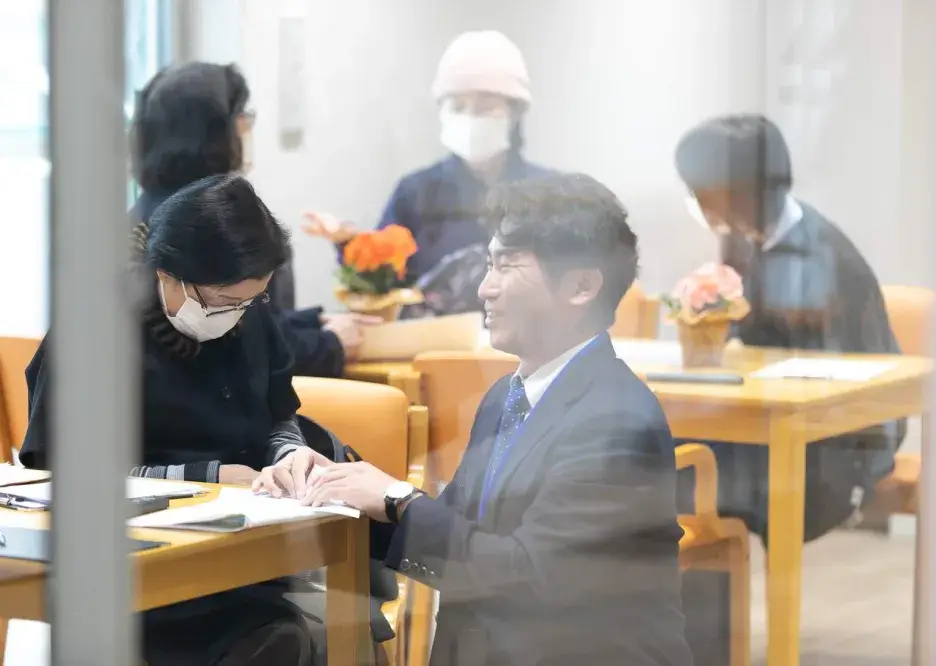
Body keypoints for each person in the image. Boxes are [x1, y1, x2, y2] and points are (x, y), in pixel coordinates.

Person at [275, 174, 694, 666]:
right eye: (489, 264)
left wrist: (398, 499)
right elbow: (460, 536)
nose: (484, 288)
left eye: (506, 266)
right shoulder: (506, 396)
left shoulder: (617, 420)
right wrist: (340, 490)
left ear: (581, 286)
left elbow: (531, 577)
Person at [19, 175, 390, 665]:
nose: (235, 315)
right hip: (141, 569)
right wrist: (205, 479)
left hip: (254, 550)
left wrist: (290, 453)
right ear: (167, 274)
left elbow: (278, 414)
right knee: (275, 640)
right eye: (222, 301)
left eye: (250, 301)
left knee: (351, 630)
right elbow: (62, 475)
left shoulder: (250, 317)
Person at [674, 113, 907, 542]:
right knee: (666, 454)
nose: (696, 203)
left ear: (735, 194)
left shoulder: (820, 260)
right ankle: (706, 576)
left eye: (699, 192)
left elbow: (840, 388)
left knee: (683, 471)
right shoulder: (748, 241)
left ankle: (708, 572)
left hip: (836, 449)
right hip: (776, 426)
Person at [130, 60, 378, 377]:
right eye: (242, 116)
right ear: (214, 132)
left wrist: (313, 322)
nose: (247, 127)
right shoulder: (203, 226)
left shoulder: (143, 214)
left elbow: (248, 320)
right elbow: (240, 349)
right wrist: (330, 345)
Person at [302, 30, 554, 317]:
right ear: (442, 113)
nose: (470, 118)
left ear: (515, 113)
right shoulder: (415, 193)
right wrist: (348, 243)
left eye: (485, 107)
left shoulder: (550, 196)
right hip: (435, 343)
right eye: (458, 107)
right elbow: (383, 283)